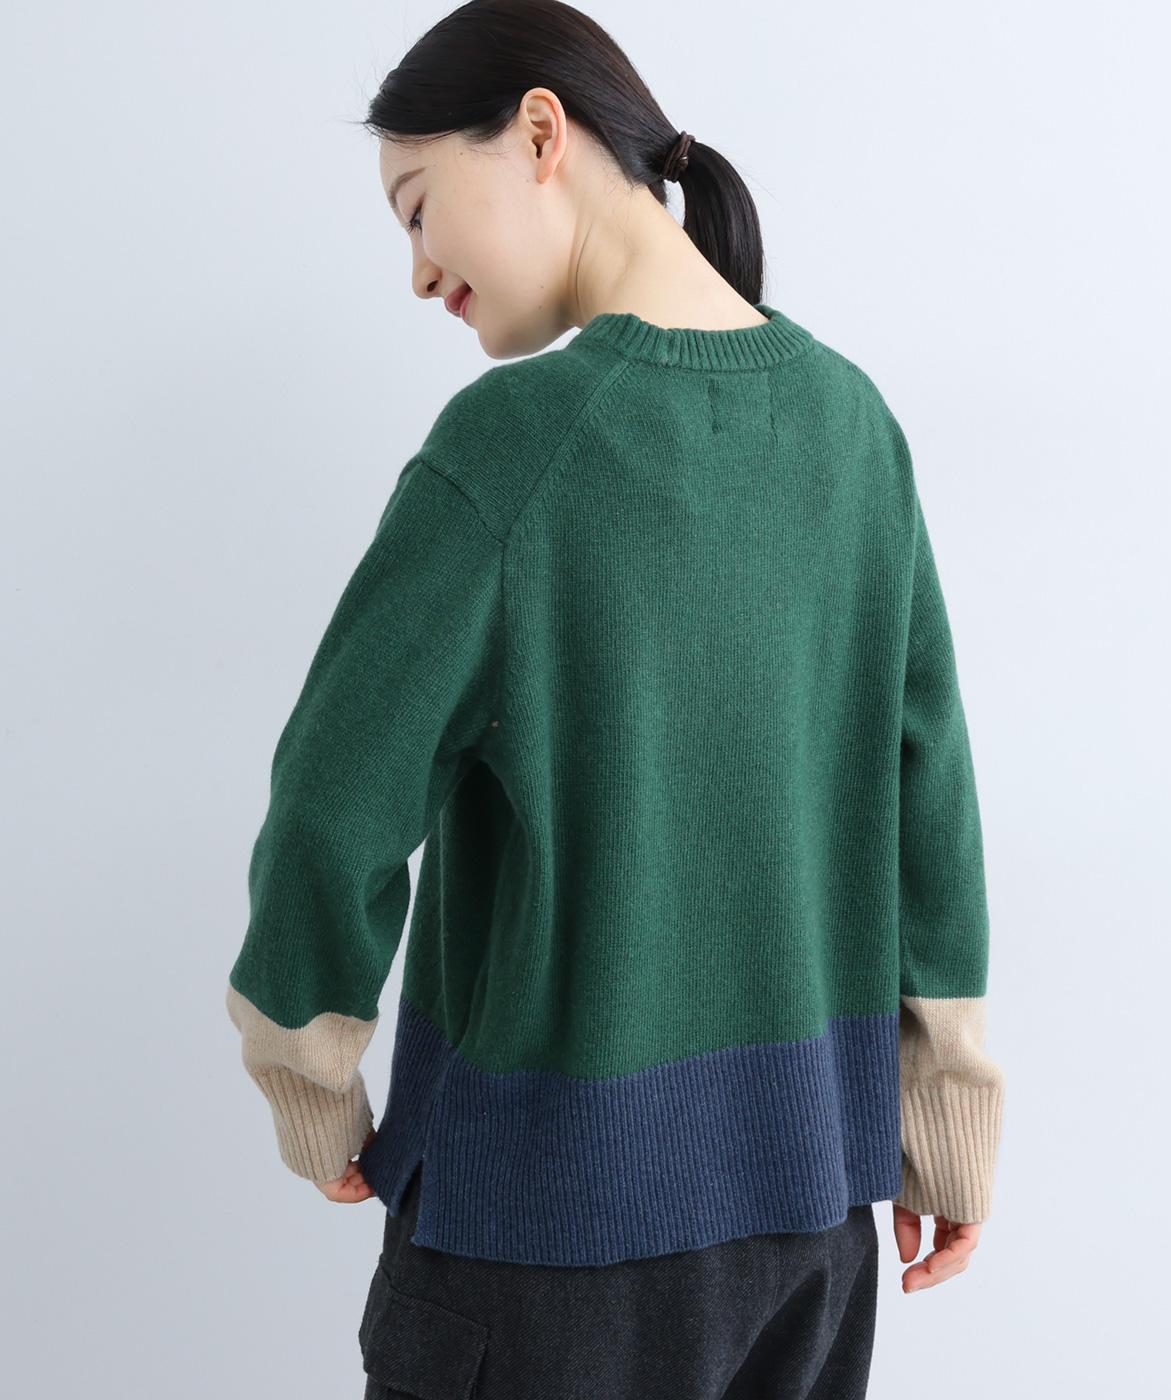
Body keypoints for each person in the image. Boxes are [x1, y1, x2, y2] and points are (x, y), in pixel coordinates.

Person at [224, 1, 1006, 1395]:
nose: (418, 271)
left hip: (548, 1242)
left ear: (541, 132)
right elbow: (928, 800)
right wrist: (945, 1114)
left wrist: (308, 1073)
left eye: (419, 207)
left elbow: (334, 802)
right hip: (813, 1227)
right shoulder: (852, 426)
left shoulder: (517, 445)